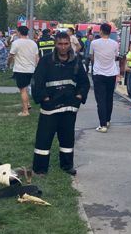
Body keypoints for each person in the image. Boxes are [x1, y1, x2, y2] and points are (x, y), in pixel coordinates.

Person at [31, 31, 90, 175]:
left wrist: (78, 98)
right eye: (60, 44)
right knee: (44, 139)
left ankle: (67, 165)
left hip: (69, 107)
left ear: (70, 44)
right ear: (55, 44)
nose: (63, 47)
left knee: (67, 139)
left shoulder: (76, 61)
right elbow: (37, 82)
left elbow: (84, 82)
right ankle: (40, 168)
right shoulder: (46, 61)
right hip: (50, 108)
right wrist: (45, 99)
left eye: (66, 44)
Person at [89, 23, 119, 133]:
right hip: (111, 74)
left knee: (100, 100)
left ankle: (102, 125)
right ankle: (107, 120)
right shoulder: (115, 44)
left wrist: (97, 63)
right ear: (110, 32)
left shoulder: (94, 43)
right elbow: (115, 57)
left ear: (101, 31)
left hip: (98, 74)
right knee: (109, 98)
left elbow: (91, 57)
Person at [9, 25, 39, 117]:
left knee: (23, 90)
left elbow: (11, 55)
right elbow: (37, 57)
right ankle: (28, 104)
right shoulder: (33, 43)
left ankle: (25, 111)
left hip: (21, 69)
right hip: (31, 69)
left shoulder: (16, 43)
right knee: (26, 88)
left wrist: (8, 63)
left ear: (19, 32)